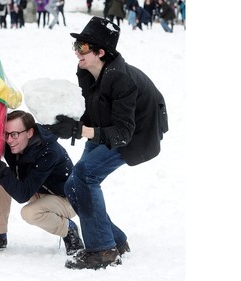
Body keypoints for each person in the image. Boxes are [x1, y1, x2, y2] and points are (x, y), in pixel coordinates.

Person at [43, 16, 168, 270]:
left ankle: (103, 251)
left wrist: (80, 130)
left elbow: (123, 133)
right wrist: (66, 122)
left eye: (84, 47)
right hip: (110, 127)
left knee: (85, 175)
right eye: (76, 46)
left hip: (137, 134)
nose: (78, 52)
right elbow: (94, 109)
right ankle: (116, 241)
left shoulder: (121, 79)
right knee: (72, 185)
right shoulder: (87, 71)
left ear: (101, 52)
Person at [0, 110, 85, 256]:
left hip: (67, 198)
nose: (9, 140)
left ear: (30, 133)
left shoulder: (48, 152)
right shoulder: (14, 144)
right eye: (6, 134)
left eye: (14, 134)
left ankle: (68, 229)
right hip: (39, 189)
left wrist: (0, 168)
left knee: (29, 213)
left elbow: (23, 195)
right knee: (1, 178)